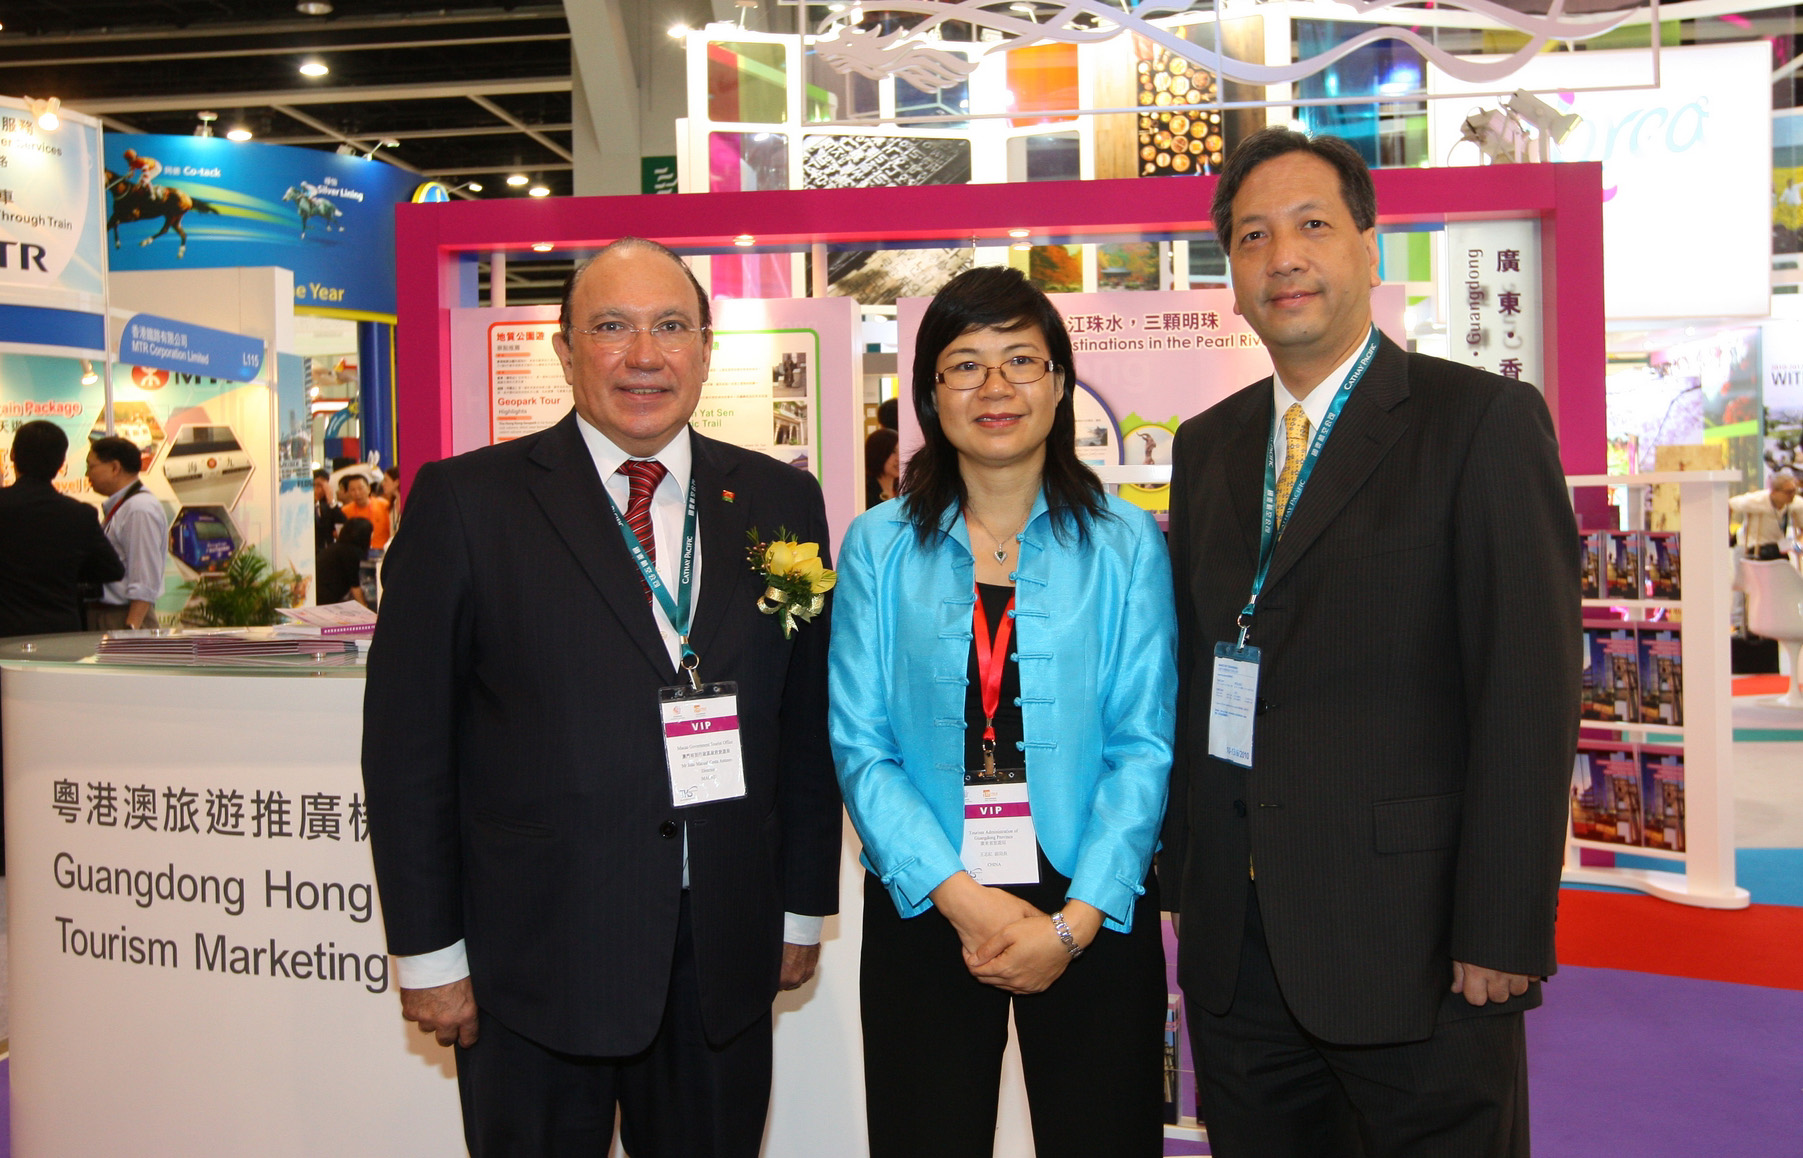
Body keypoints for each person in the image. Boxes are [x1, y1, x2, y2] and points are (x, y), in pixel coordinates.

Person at [362, 237, 841, 1157]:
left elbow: (802, 726)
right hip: (535, 957)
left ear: (705, 348)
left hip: (722, 953)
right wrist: (427, 952)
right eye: (611, 327)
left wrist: (796, 908)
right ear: (564, 349)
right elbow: (407, 748)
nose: (644, 356)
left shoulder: (778, 499)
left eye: (671, 327)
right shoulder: (468, 501)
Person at [1161, 128, 1580, 1157]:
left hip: (1419, 947)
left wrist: (1502, 926)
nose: (1283, 257)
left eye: (1311, 225)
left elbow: (1527, 692)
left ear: (1369, 247)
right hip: (1239, 955)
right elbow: (1198, 672)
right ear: (1232, 278)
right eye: (1252, 237)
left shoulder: (1479, 421)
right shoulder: (1207, 447)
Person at [830, 266, 1176, 1158]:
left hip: (1091, 898)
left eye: (1021, 360)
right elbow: (861, 744)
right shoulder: (877, 544)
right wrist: (959, 898)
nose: (995, 387)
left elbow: (1143, 743)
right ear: (929, 393)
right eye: (965, 365)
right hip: (929, 896)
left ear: (1059, 385)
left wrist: (1076, 921)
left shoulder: (1124, 541)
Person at [0, 421, 123, 638]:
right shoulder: (80, 514)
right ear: (61, 463)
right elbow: (112, 570)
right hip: (60, 635)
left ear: (12, 455)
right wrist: (69, 568)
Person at [85, 435, 169, 631]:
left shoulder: (139, 509)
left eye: (91, 466)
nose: (87, 474)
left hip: (123, 616)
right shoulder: (126, 506)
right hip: (109, 615)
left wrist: (130, 629)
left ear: (115, 468)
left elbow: (145, 579)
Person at [1728, 471, 1802, 559]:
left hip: (1775, 549)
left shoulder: (1796, 503)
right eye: (1788, 492)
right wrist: (1728, 535)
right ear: (1774, 492)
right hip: (1750, 546)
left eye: (1794, 491)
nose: (1792, 495)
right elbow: (1729, 505)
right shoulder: (1756, 500)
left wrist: (1798, 544)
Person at [315, 516, 372, 606]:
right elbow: (355, 586)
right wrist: (365, 607)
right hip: (326, 597)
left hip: (319, 594)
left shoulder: (337, 547)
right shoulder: (351, 552)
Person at [339, 473, 391, 549]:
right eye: (353, 490)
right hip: (357, 551)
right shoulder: (344, 511)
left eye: (360, 488)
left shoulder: (384, 506)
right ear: (349, 492)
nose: (357, 493)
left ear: (368, 489)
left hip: (381, 549)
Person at [863, 426, 899, 508]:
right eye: (893, 452)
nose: (898, 458)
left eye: (901, 451)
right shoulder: (866, 493)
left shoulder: (903, 490)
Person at [313, 467, 345, 555]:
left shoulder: (328, 507)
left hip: (326, 553)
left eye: (324, 486)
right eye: (316, 485)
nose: (320, 490)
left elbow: (342, 526)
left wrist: (331, 501)